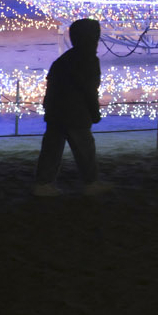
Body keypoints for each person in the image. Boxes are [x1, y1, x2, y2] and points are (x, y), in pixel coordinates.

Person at [34, 17, 109, 197]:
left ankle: (43, 183)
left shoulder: (63, 60)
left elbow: (51, 86)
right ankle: (90, 182)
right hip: (76, 113)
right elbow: (89, 89)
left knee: (52, 150)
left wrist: (49, 109)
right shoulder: (89, 60)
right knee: (85, 150)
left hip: (56, 113)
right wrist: (94, 112)